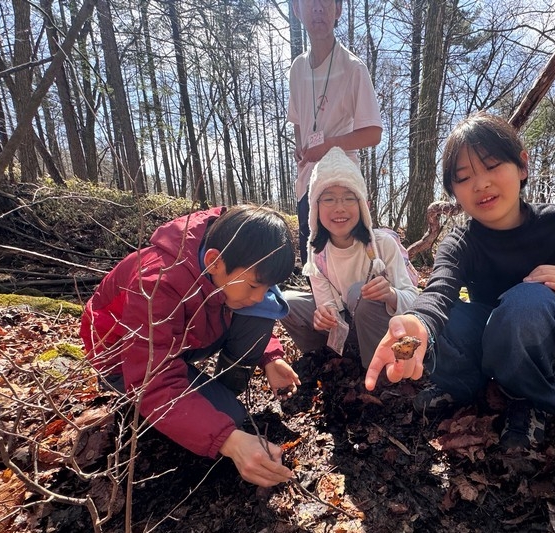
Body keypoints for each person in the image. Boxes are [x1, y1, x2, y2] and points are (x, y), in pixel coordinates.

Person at [364, 112, 555, 452]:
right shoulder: (460, 242)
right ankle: (462, 383)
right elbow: (439, 291)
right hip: (490, 336)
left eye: (493, 165)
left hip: (552, 341)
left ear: (522, 166)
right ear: (454, 191)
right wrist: (418, 321)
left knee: (527, 301)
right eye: (464, 177)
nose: (481, 184)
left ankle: (530, 399)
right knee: (451, 314)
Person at [80, 205, 300, 487]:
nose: (259, 297)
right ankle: (193, 411)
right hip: (124, 359)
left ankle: (219, 391)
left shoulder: (231, 257)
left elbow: (253, 305)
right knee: (229, 419)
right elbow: (153, 382)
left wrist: (270, 356)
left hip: (182, 340)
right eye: (254, 286)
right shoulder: (156, 282)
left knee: (261, 313)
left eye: (266, 287)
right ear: (214, 262)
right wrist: (228, 440)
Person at [281, 147, 418, 368]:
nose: (339, 208)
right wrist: (323, 315)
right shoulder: (317, 254)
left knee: (359, 292)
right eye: (329, 199)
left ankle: (380, 371)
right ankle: (323, 359)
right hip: (348, 324)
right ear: (315, 207)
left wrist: (391, 294)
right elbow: (327, 304)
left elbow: (414, 300)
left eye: (348, 198)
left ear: (363, 205)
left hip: (386, 327)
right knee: (286, 302)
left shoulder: (382, 244)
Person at [287, 0, 383, 266]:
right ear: (297, 10)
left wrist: (328, 146)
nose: (318, 9)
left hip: (342, 183)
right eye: (310, 3)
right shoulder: (297, 68)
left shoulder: (353, 67)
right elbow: (297, 119)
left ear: (338, 9)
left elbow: (373, 133)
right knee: (314, 262)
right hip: (307, 182)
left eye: (326, 2)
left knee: (349, 262)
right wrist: (300, 146)